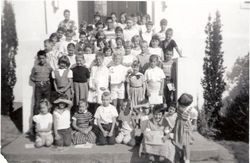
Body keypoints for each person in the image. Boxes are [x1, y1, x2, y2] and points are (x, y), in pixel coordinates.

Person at [30, 50, 53, 115]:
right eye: (40, 58)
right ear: (38, 58)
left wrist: (48, 82)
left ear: (45, 58)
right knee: (37, 103)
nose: (41, 60)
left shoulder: (49, 67)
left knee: (47, 103)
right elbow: (31, 77)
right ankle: (36, 122)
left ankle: (48, 120)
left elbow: (52, 76)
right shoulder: (35, 67)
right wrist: (37, 81)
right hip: (38, 88)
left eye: (43, 58)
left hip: (47, 87)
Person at [173, 93, 194, 163]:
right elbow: (190, 116)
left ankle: (180, 158)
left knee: (181, 142)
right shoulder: (186, 110)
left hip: (180, 125)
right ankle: (186, 158)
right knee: (186, 144)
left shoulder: (178, 106)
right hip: (185, 126)